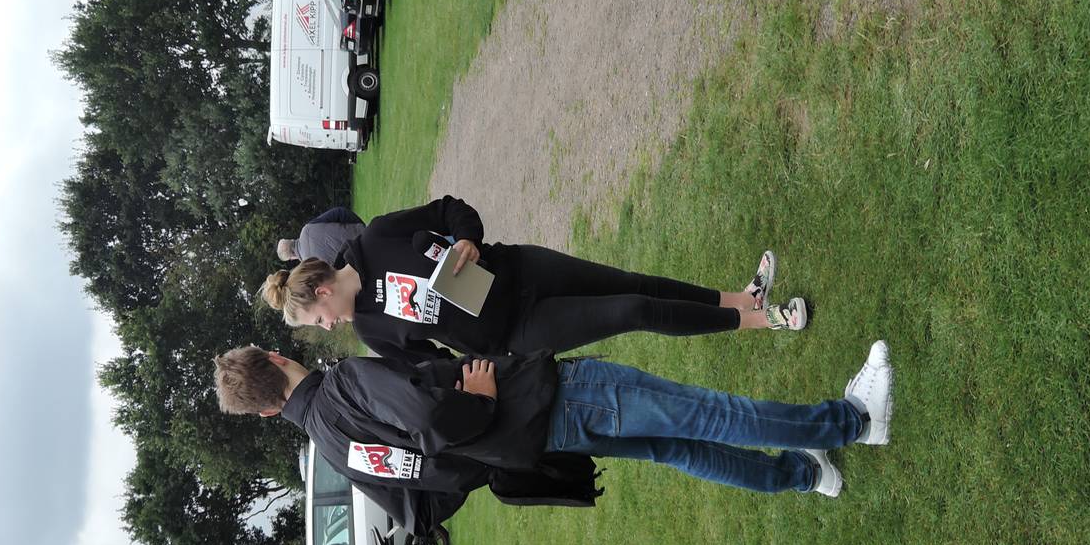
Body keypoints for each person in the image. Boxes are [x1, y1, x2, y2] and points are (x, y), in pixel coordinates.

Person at [212, 339, 894, 529]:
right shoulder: (344, 386)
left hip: (536, 443)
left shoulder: (332, 451)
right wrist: (479, 408)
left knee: (677, 446)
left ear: (266, 413)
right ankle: (854, 421)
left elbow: (422, 505)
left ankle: (806, 472)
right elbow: (428, 423)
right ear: (275, 358)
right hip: (545, 404)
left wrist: (479, 456)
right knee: (703, 414)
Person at [260, 195, 806, 370]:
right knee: (632, 311)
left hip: (520, 269)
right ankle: (761, 321)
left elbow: (450, 210)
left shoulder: (379, 237)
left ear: (323, 291)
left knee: (633, 282)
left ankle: (742, 298)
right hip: (519, 331)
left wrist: (468, 239)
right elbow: (436, 369)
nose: (327, 327)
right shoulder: (373, 331)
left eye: (317, 318)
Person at [277, 205, 365, 266]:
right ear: (291, 240)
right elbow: (340, 212)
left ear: (291, 258)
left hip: (361, 260)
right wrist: (359, 227)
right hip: (364, 235)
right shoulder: (307, 229)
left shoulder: (309, 266)